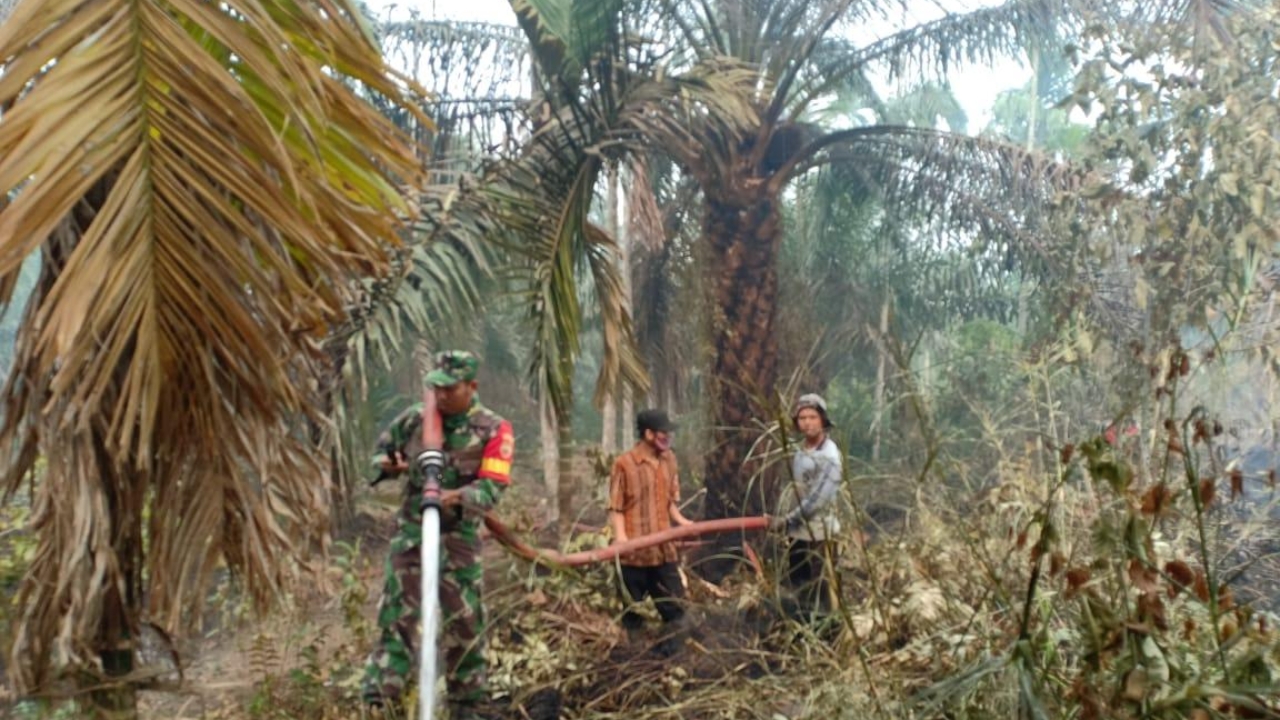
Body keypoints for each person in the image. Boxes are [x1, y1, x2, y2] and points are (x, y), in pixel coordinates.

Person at [362, 350, 514, 720]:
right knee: (397, 613)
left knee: (464, 618)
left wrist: (456, 498)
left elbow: (492, 486)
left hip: (459, 538)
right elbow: (379, 455)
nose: (442, 396)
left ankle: (467, 703)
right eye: (437, 389)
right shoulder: (416, 419)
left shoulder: (493, 429)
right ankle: (383, 699)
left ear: (471, 387)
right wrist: (388, 465)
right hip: (412, 534)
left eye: (451, 389)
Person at [608, 408, 695, 654]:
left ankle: (672, 657)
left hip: (663, 552)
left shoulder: (669, 460)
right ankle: (637, 662)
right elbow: (615, 507)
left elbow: (670, 502)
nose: (668, 438)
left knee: (676, 609)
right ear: (648, 434)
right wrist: (622, 539)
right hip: (634, 554)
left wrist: (683, 522)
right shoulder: (624, 464)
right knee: (633, 613)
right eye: (663, 434)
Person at [771, 393, 843, 624]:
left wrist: (786, 519)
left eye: (812, 416)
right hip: (798, 533)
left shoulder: (830, 455)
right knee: (799, 584)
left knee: (822, 587)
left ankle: (828, 634)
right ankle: (802, 629)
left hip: (821, 533)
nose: (807, 422)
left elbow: (817, 500)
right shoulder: (800, 451)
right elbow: (795, 489)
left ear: (822, 420)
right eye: (802, 417)